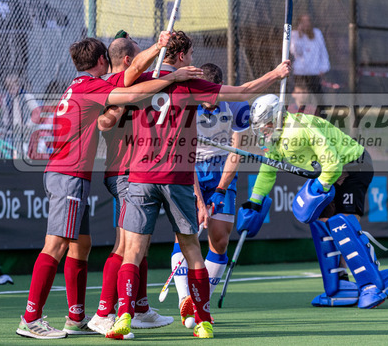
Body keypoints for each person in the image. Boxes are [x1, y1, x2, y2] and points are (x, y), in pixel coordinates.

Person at [106, 31, 291, 340]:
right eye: (191, 54)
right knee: (192, 247)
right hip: (176, 176)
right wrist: (276, 73)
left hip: (140, 175)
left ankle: (123, 314)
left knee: (133, 251)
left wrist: (157, 51)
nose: (193, 60)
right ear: (181, 56)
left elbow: (126, 78)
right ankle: (203, 321)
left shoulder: (141, 80)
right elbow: (242, 92)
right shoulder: (190, 84)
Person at [16, 37, 202, 340]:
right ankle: (31, 318)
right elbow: (133, 89)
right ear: (102, 60)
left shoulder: (81, 84)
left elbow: (130, 76)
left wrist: (158, 52)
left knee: (82, 245)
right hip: (70, 173)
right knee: (58, 245)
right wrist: (172, 75)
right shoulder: (93, 87)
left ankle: (77, 317)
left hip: (71, 173)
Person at [243, 94, 388, 310]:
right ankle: (340, 285)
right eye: (259, 126)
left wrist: (320, 186)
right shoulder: (274, 140)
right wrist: (255, 202)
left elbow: (332, 162)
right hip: (327, 174)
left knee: (343, 225)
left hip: (353, 165)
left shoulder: (299, 129)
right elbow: (267, 171)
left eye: (266, 124)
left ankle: (372, 284)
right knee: (322, 224)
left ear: (278, 117)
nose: (262, 130)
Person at [88, 31, 175, 335]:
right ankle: (103, 312)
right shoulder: (113, 87)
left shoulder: (133, 84)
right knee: (125, 245)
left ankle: (140, 308)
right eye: (139, 59)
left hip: (137, 173)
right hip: (124, 173)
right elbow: (103, 123)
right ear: (128, 61)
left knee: (140, 244)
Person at [170, 63, 250, 326]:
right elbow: (185, 156)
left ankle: (200, 302)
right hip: (190, 169)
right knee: (185, 234)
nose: (209, 104)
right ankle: (184, 299)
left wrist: (219, 191)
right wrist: (199, 200)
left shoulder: (237, 107)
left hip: (221, 171)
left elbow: (236, 154)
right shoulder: (185, 107)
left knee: (220, 238)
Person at [289, 14, 330, 96]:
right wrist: (299, 36)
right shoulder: (294, 34)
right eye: (303, 21)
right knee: (301, 96)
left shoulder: (317, 33)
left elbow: (323, 51)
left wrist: (324, 67)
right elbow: (295, 52)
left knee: (318, 96)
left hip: (314, 72)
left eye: (308, 21)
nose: (306, 23)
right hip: (300, 72)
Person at [1, 73, 40, 158]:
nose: (11, 90)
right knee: (13, 151)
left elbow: (36, 112)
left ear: (18, 86)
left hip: (27, 130)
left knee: (26, 152)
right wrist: (6, 127)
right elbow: (5, 116)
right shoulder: (6, 99)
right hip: (14, 132)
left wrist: (28, 125)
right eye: (9, 88)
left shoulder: (27, 96)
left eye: (13, 87)